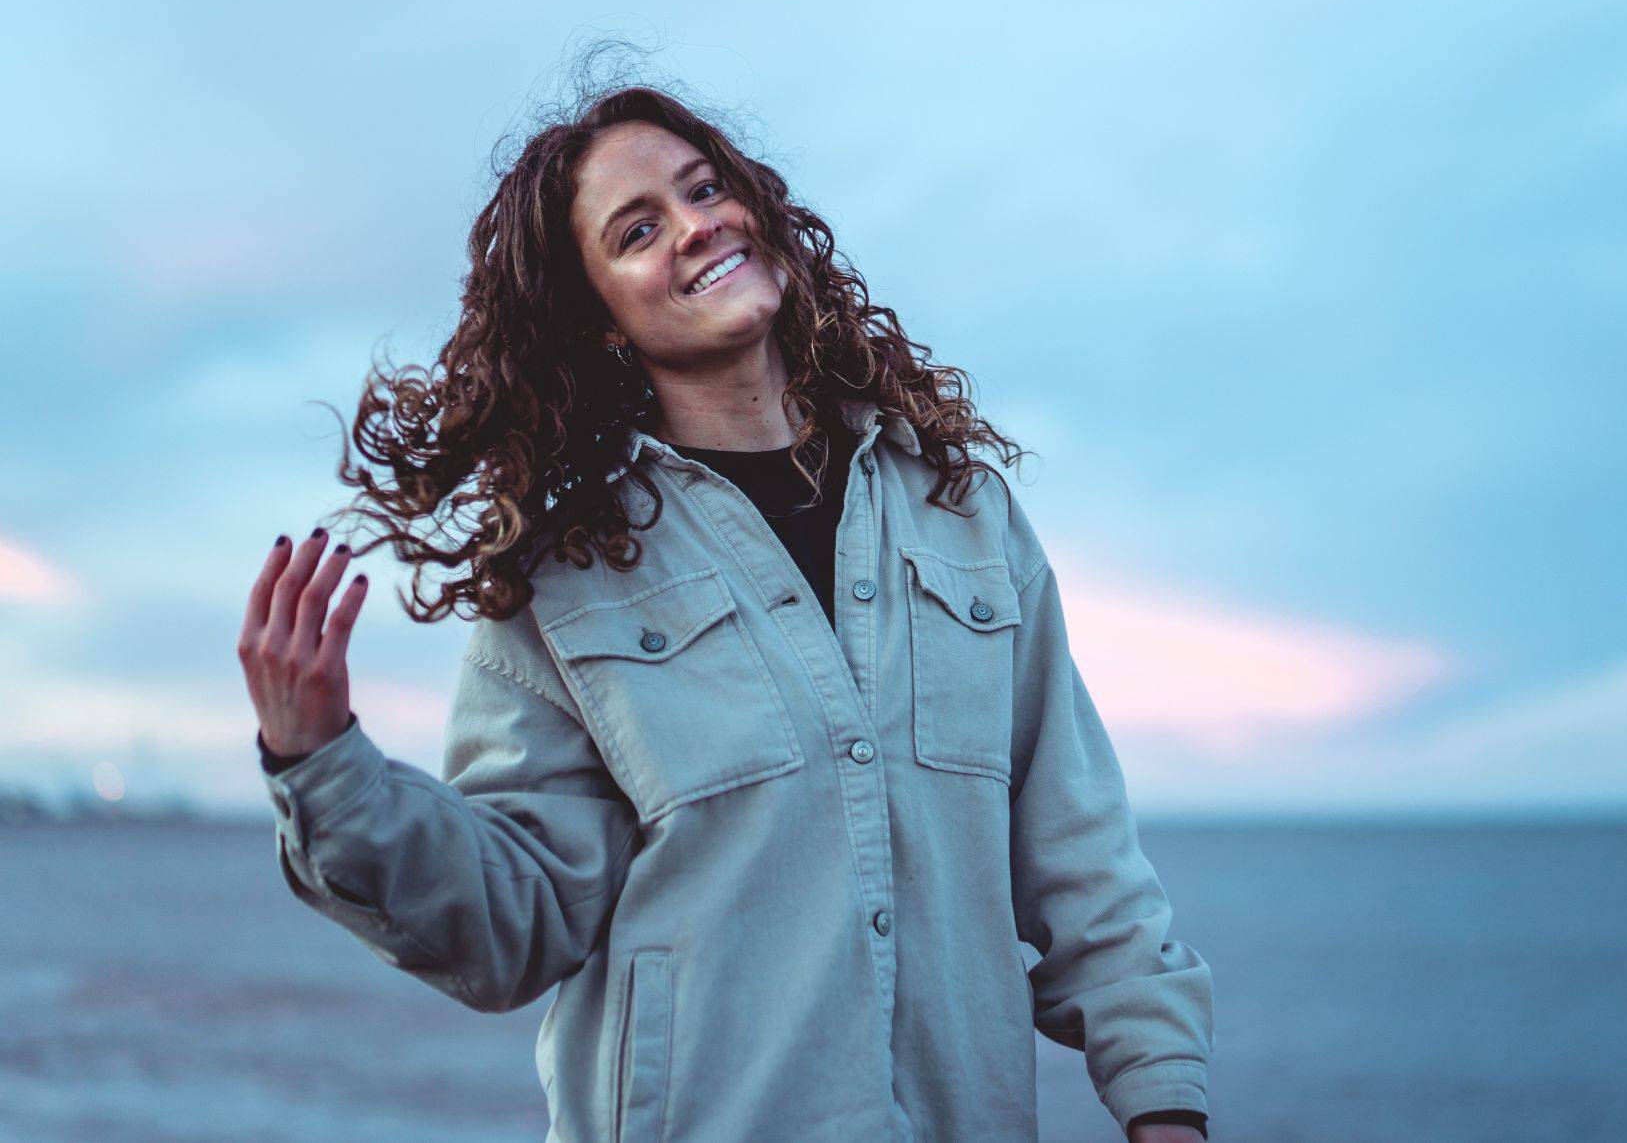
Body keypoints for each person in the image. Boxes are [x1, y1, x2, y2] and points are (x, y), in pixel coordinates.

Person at [237, 79, 1214, 1141]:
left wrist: (1166, 1104)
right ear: (602, 319)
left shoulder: (961, 515)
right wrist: (321, 764)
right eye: (640, 229)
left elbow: (1087, 865)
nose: (698, 227)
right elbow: (511, 925)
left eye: (705, 189)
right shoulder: (566, 581)